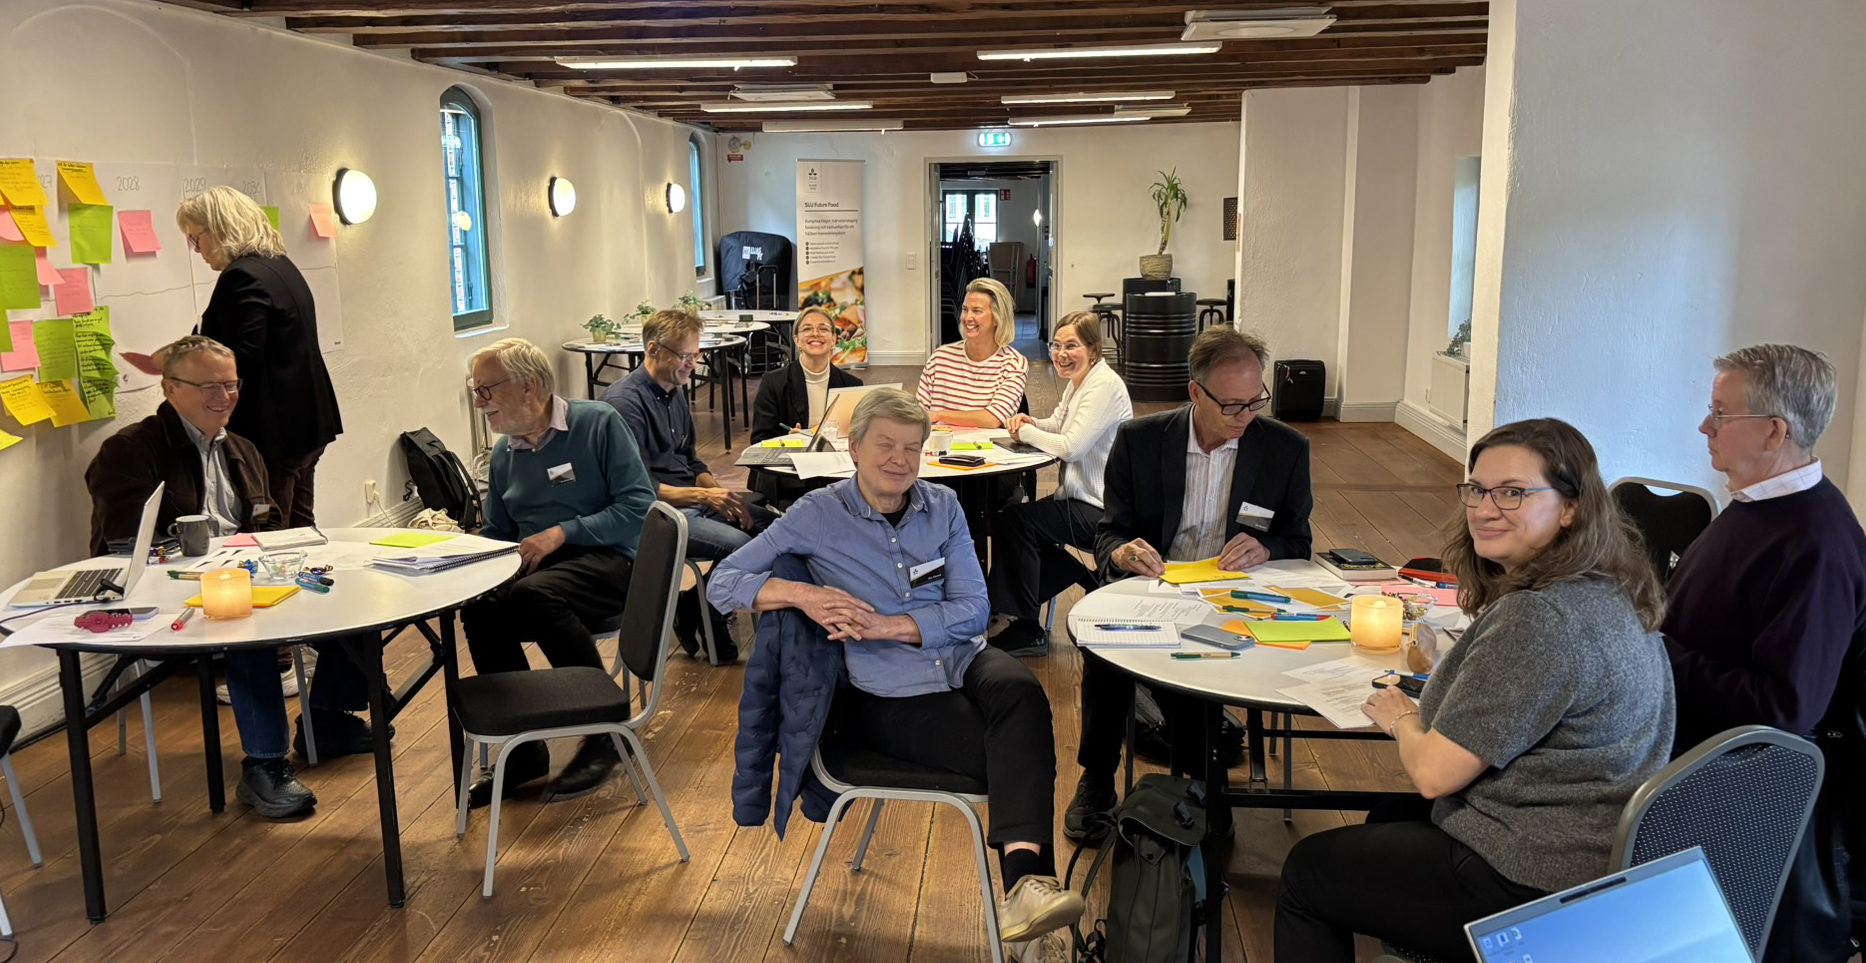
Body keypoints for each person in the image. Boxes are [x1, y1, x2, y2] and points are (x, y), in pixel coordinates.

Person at [1274, 418, 1676, 963]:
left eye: (1513, 492)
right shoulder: (1613, 589)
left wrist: (1400, 717)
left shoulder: (1539, 619)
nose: (1485, 509)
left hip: (1533, 872)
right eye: (1478, 490)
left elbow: (1434, 775)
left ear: (1570, 507)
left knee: (1306, 871)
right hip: (1601, 842)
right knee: (1386, 823)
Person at [708, 389, 1084, 963]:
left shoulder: (943, 506)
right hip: (884, 692)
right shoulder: (817, 514)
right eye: (885, 445)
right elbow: (722, 582)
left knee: (1020, 691)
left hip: (954, 655)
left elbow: (973, 610)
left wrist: (890, 625)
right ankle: (1028, 902)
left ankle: (1024, 897)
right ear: (854, 447)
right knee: (1015, 756)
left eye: (913, 448)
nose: (900, 460)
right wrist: (801, 594)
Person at [85, 336, 378, 818]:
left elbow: (268, 526)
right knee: (248, 627)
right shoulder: (131, 450)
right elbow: (123, 545)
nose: (224, 398)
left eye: (231, 385)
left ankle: (325, 717)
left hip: (242, 575)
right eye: (208, 387)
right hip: (165, 591)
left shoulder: (241, 447)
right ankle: (265, 766)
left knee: (350, 593)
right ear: (170, 388)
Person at [1067, 327, 1313, 843]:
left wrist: (1267, 548)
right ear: (1195, 392)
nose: (1247, 416)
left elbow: (1299, 540)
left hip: (1236, 597)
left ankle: (1204, 782)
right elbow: (1110, 530)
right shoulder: (1140, 440)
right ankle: (1097, 778)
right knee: (1104, 650)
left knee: (1196, 673)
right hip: (1154, 587)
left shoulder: (1283, 449)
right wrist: (1122, 551)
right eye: (1232, 405)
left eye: (1255, 401)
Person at [1664, 344, 1865, 963]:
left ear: (1775, 430)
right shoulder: (1756, 507)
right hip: (1692, 751)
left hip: (1738, 793)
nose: (1705, 428)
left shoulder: (1816, 542)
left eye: (1721, 414)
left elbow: (1785, 709)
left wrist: (1661, 654)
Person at [462, 338, 657, 806]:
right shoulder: (506, 454)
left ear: (528, 386)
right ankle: (524, 749)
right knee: (481, 609)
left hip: (612, 561)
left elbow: (638, 506)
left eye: (486, 389)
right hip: (546, 572)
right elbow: (499, 533)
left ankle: (603, 730)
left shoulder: (596, 424)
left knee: (534, 596)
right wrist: (457, 560)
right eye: (475, 389)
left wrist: (562, 533)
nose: (478, 401)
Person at [124, 186, 343, 528]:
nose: (197, 251)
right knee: (300, 525)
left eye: (196, 239)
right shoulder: (278, 266)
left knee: (274, 534)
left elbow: (240, 356)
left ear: (221, 229)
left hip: (277, 430)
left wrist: (176, 359)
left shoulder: (241, 276)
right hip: (307, 421)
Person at [601, 309, 778, 662]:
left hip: (690, 500)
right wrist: (705, 496)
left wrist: (721, 495)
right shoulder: (623, 404)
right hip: (657, 514)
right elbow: (635, 489)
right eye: (686, 356)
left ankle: (692, 603)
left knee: (775, 530)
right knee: (739, 544)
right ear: (653, 350)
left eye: (696, 356)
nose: (694, 365)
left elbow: (690, 459)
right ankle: (711, 616)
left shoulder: (674, 389)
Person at [985, 312, 1132, 658]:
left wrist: (1025, 432)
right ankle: (1078, 581)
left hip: (1102, 509)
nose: (1061, 354)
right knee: (1019, 523)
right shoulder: (1082, 380)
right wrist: (1033, 421)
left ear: (1093, 350)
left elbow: (1071, 446)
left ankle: (1027, 626)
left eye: (1072, 346)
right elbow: (1059, 424)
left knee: (1017, 523)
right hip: (1084, 500)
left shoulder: (1103, 386)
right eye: (1057, 345)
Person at [915, 277, 1028, 429]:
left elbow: (992, 419)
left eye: (977, 311)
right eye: (965, 309)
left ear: (997, 318)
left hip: (987, 450)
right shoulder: (939, 358)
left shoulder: (1013, 363)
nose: (968, 318)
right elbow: (919, 416)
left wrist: (938, 415)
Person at [750, 306, 863, 443]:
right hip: (790, 460)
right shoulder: (774, 383)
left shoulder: (852, 385)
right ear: (796, 340)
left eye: (823, 329)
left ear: (834, 340)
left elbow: (859, 437)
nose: (815, 334)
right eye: (807, 329)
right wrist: (789, 440)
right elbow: (759, 439)